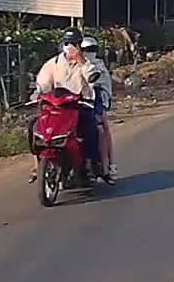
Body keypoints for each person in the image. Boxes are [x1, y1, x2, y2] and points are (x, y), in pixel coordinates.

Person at [29, 28, 103, 183]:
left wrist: (81, 61)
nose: (70, 47)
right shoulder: (54, 63)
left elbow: (92, 77)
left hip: (78, 106)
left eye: (74, 43)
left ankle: (89, 163)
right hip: (56, 107)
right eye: (67, 43)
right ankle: (37, 164)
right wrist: (39, 92)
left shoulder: (86, 63)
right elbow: (43, 83)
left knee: (90, 127)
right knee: (34, 127)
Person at [80, 36, 116, 180]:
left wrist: (104, 105)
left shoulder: (99, 67)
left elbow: (106, 89)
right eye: (85, 50)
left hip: (94, 102)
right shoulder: (68, 64)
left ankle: (108, 166)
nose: (88, 52)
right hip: (73, 103)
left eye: (91, 49)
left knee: (102, 129)